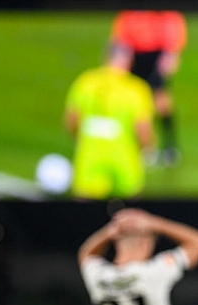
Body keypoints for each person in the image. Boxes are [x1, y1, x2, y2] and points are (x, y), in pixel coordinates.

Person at [64, 44, 155, 200]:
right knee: (132, 213)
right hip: (125, 159)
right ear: (129, 61)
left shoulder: (85, 82)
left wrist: (80, 139)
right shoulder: (136, 89)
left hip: (90, 156)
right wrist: (147, 150)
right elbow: (143, 130)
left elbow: (71, 120)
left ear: (106, 57)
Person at [111, 10, 187, 167]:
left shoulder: (166, 14)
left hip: (157, 55)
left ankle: (169, 147)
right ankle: (144, 148)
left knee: (160, 101)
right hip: (133, 54)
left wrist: (168, 61)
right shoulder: (129, 13)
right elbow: (120, 36)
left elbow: (173, 40)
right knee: (133, 103)